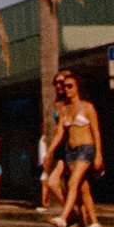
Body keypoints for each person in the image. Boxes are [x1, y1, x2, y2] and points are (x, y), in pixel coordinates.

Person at [48, 73, 103, 227]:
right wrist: (50, 150)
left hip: (86, 149)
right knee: (83, 188)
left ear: (77, 87)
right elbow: (59, 133)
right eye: (65, 86)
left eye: (70, 86)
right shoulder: (64, 109)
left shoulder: (87, 107)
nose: (66, 89)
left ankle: (64, 218)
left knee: (72, 183)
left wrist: (98, 154)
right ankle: (94, 222)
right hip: (70, 151)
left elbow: (96, 131)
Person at [37, 72, 73, 212]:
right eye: (56, 83)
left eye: (61, 82)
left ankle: (84, 218)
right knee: (52, 183)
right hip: (61, 147)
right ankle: (70, 213)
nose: (58, 85)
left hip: (72, 146)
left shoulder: (73, 102)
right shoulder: (58, 103)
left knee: (78, 186)